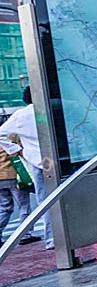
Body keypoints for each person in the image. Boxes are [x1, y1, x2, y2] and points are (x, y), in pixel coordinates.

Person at [0, 88, 50, 248]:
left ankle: (50, 239)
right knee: (24, 206)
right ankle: (28, 234)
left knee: (43, 201)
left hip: (33, 163)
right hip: (17, 174)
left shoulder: (20, 117)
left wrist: (17, 150)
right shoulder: (48, 109)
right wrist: (17, 150)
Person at [0, 146, 30, 244]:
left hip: (0, 178)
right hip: (14, 175)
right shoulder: (11, 134)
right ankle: (25, 234)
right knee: (24, 205)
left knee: (5, 207)